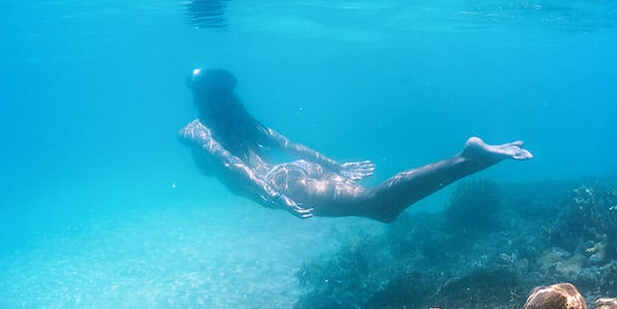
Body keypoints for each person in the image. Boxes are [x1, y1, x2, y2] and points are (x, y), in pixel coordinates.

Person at [179, 68, 532, 222]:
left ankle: (466, 158)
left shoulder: (194, 130)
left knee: (378, 205)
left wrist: (277, 198)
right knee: (380, 205)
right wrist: (333, 166)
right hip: (296, 174)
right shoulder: (240, 119)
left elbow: (231, 166)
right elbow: (289, 144)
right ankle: (469, 160)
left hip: (280, 181)